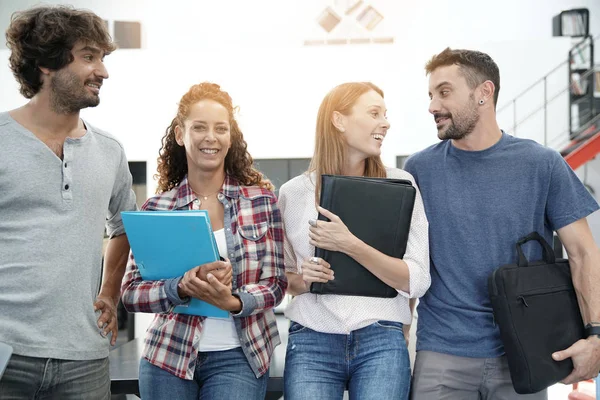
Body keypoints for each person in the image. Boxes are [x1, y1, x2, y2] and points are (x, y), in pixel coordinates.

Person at [405, 47, 600, 400]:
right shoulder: (419, 171)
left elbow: (585, 254)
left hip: (524, 353)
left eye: (444, 92)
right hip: (442, 351)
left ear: (484, 93)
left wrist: (596, 336)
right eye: (431, 95)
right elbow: (407, 262)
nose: (432, 106)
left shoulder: (542, 164)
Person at [0, 5, 137, 399]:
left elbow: (124, 225)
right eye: (89, 57)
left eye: (103, 58)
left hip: (85, 360)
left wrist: (109, 293)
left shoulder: (110, 151)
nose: (103, 72)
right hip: (7, 353)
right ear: (46, 62)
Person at [121, 82, 287, 399]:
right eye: (199, 127)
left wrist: (234, 301)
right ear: (181, 135)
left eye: (220, 128)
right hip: (168, 357)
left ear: (230, 138)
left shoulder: (262, 202)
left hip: (240, 355)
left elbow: (277, 283)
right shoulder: (157, 208)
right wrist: (179, 287)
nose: (210, 137)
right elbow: (131, 293)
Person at [279, 81, 430, 400]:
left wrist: (349, 243)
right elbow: (283, 278)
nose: (385, 123)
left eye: (385, 115)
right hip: (311, 339)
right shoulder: (294, 193)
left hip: (382, 338)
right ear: (339, 120)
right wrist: (305, 280)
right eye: (374, 113)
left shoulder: (401, 185)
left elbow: (417, 280)